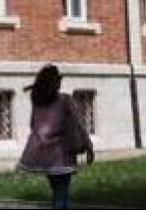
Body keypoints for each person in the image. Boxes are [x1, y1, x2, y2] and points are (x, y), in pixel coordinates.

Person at [18, 65, 94, 210]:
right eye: (59, 80)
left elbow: (33, 124)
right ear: (54, 82)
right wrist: (88, 146)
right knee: (62, 194)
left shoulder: (37, 102)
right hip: (62, 154)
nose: (60, 83)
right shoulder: (65, 100)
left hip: (45, 155)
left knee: (58, 193)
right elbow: (78, 125)